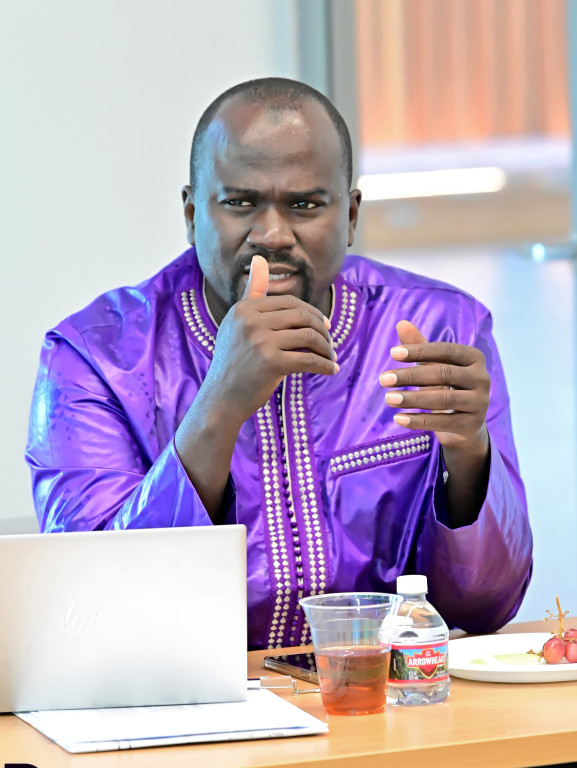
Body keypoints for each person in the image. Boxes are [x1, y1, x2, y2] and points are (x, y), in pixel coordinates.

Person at [26, 77, 533, 650]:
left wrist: (469, 457)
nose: (272, 235)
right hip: (192, 700)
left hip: (380, 691)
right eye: (240, 203)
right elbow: (97, 619)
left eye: (305, 205)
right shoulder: (94, 356)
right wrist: (219, 405)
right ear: (192, 214)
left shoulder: (441, 328)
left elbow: (487, 608)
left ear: (351, 216)